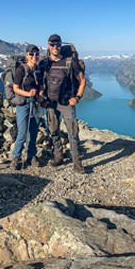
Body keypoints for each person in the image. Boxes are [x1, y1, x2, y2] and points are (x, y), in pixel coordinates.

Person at [36, 34, 87, 173]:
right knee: (53, 130)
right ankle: (58, 156)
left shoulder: (70, 62)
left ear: (60, 45)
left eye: (58, 44)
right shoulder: (44, 63)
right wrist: (41, 98)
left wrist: (77, 97)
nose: (55, 47)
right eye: (52, 44)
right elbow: (40, 83)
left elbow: (82, 81)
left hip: (66, 103)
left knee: (72, 132)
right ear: (48, 45)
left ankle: (77, 162)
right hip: (50, 103)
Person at [10, 45, 41, 171]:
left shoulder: (38, 70)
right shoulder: (21, 70)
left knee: (33, 132)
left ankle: (31, 155)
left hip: (35, 104)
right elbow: (15, 88)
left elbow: (41, 86)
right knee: (22, 132)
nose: (34, 56)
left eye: (36, 54)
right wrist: (29, 94)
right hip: (23, 104)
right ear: (27, 55)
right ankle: (16, 157)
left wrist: (40, 95)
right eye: (31, 54)